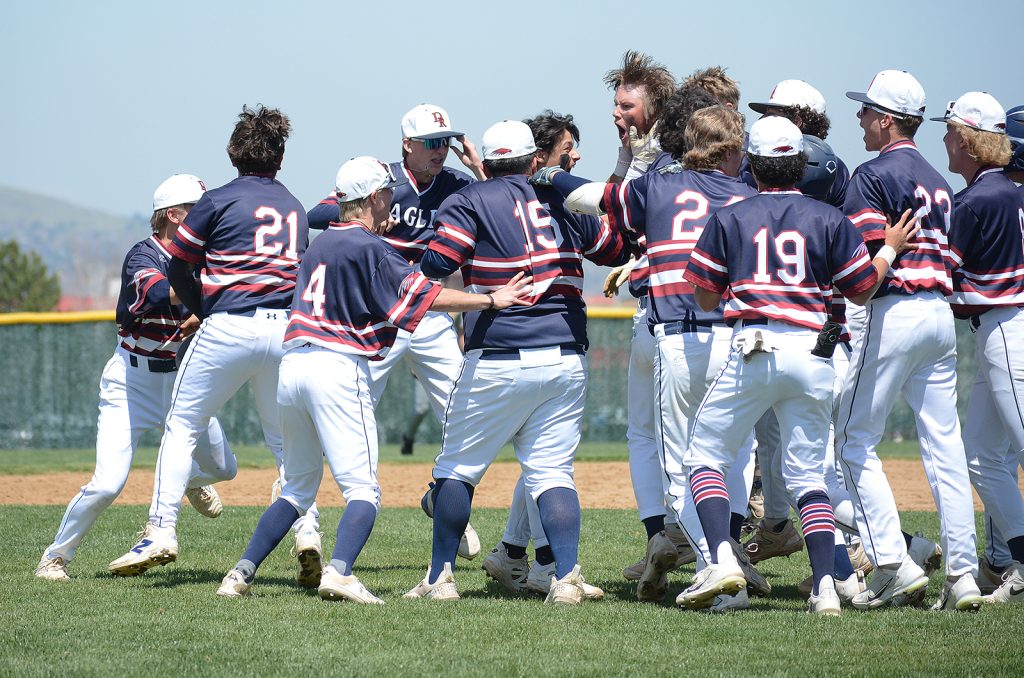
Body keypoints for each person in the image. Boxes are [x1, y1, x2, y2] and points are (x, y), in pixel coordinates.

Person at [216, 157, 532, 600]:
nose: (392, 200)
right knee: (364, 489)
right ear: (370, 199)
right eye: (386, 193)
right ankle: (340, 573)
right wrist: (489, 301)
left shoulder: (320, 244)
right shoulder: (373, 247)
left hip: (293, 368)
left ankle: (240, 574)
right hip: (336, 368)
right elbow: (424, 296)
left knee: (297, 488)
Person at [676, 116, 918, 614]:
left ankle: (723, 560)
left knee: (704, 456)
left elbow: (703, 296)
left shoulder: (732, 215)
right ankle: (826, 590)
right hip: (814, 353)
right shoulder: (830, 218)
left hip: (754, 347)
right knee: (809, 475)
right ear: (799, 163)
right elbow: (861, 288)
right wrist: (890, 248)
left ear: (752, 164)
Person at [404, 120, 630, 604]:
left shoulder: (470, 200)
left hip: (499, 354)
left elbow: (436, 264)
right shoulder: (559, 196)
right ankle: (566, 579)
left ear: (487, 162)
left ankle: (440, 578)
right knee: (552, 472)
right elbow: (613, 249)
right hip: (566, 354)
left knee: (457, 469)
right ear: (533, 161)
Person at [108, 105, 321, 583]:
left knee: (182, 425)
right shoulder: (293, 206)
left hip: (230, 323)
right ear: (280, 158)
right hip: (286, 328)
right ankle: (307, 531)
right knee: (287, 443)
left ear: (232, 153)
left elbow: (180, 264)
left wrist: (203, 309)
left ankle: (161, 531)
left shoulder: (217, 200)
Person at [34, 175, 234, 582]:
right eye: (197, 209)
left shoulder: (206, 258)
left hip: (180, 382)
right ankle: (54, 558)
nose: (206, 216)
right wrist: (213, 287)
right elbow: (160, 293)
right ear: (173, 216)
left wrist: (211, 301)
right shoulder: (144, 255)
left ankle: (187, 482)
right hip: (131, 382)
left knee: (224, 467)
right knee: (108, 484)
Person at [308, 104, 484, 559]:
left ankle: (446, 503)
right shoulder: (379, 182)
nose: (440, 150)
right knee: (350, 412)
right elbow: (318, 213)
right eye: (430, 142)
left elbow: (500, 204)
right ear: (406, 144)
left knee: (465, 410)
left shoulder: (457, 185)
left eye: (445, 141)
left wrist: (480, 167)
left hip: (429, 314)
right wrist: (363, 219)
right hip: (378, 316)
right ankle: (305, 518)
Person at [836, 70, 982, 611]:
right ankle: (964, 576)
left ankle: (892, 561)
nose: (860, 118)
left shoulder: (872, 174)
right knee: (946, 448)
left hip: (891, 309)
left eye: (866, 110)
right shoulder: (939, 181)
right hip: (939, 316)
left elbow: (863, 268)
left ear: (886, 119)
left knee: (851, 442)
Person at [935, 92, 1024, 606]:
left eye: (949, 132)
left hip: (1007, 327)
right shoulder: (1010, 190)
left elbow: (952, 280)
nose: (945, 140)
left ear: (967, 140)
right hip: (1003, 326)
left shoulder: (974, 200)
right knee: (983, 457)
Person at [605, 51, 676, 182]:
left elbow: (626, 201)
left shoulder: (672, 165)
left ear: (656, 112)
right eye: (616, 105)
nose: (615, 112)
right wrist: (624, 163)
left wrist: (638, 167)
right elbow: (604, 200)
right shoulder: (634, 156)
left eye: (626, 106)